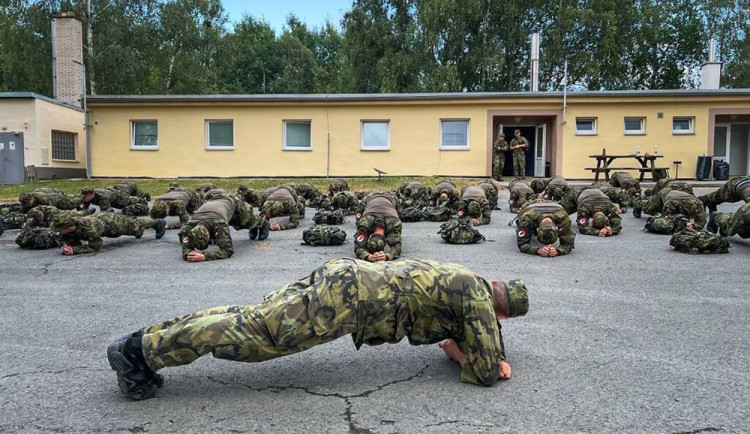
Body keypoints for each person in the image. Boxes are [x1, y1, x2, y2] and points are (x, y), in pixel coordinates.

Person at [106, 258, 530, 400]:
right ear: (502, 314)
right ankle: (137, 352)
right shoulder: (477, 301)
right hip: (347, 301)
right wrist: (460, 351)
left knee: (251, 316)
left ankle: (144, 344)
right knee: (257, 334)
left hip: (344, 273)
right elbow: (489, 371)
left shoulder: (466, 276)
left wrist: (458, 341)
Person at [179, 189, 267, 262]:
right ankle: (254, 226)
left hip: (231, 201)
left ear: (207, 233)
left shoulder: (219, 224)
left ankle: (262, 223)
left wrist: (205, 256)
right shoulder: (190, 226)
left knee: (244, 222)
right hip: (214, 202)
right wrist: (188, 255)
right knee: (237, 223)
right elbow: (185, 247)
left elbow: (227, 251)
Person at [50, 213, 166, 255]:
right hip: (99, 219)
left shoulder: (89, 229)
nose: (59, 231)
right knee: (135, 227)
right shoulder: (71, 222)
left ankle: (157, 223)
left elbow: (95, 246)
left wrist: (75, 250)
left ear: (70, 227)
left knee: (136, 226)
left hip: (113, 224)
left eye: (61, 229)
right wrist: (70, 246)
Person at [354, 191, 402, 262]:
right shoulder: (364, 224)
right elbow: (396, 247)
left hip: (389, 197)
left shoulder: (394, 223)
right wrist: (369, 256)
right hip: (372, 197)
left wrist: (386, 256)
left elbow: (397, 247)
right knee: (358, 221)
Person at [80, 187, 148, 216]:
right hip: (112, 197)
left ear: (91, 195)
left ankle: (143, 198)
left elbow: (105, 213)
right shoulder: (86, 197)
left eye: (85, 197)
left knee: (129, 202)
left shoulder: (102, 197)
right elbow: (84, 208)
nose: (83, 198)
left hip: (118, 198)